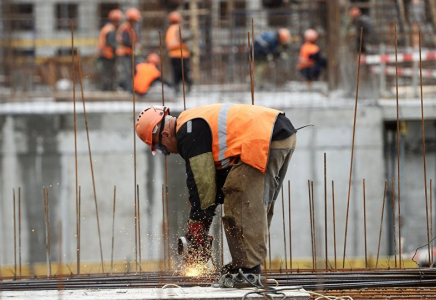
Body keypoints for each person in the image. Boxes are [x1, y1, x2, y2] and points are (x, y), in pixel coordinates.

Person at [135, 104, 297, 274]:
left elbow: (202, 183)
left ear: (165, 134)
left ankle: (247, 270)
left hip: (263, 139)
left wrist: (197, 225)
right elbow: (213, 185)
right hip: (280, 134)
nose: (167, 153)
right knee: (257, 203)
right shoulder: (191, 122)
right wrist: (201, 222)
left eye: (161, 148)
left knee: (239, 198)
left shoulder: (187, 133)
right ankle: (247, 265)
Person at [96, 9, 123, 91]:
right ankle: (106, 90)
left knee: (107, 73)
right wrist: (119, 48)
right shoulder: (110, 30)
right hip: (107, 55)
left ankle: (108, 89)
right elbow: (111, 43)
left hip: (105, 54)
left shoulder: (107, 28)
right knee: (108, 74)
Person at [165, 11, 192, 93]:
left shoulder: (169, 29)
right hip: (181, 54)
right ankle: (188, 84)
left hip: (173, 55)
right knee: (184, 72)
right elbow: (183, 38)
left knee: (176, 73)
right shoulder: (177, 28)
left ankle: (177, 87)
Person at [116, 7, 141, 91]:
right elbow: (125, 41)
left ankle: (129, 88)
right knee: (126, 72)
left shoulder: (130, 28)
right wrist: (134, 46)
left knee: (131, 71)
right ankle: (126, 89)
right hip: (124, 53)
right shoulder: (125, 28)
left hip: (128, 53)